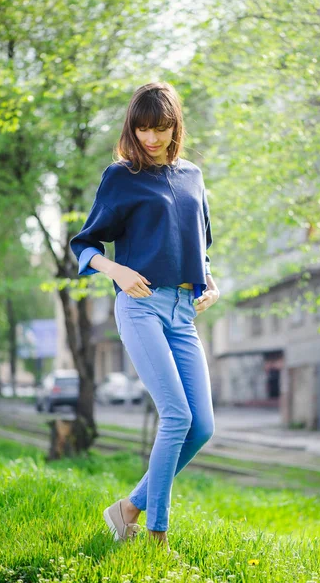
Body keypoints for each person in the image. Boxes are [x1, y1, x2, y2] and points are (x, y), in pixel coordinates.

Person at [70, 81, 220, 554]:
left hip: (182, 311)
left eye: (161, 128)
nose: (151, 138)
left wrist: (210, 281)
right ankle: (156, 534)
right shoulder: (121, 176)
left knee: (202, 427)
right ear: (131, 127)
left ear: (176, 126)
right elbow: (85, 243)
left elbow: (200, 245)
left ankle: (127, 508)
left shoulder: (193, 175)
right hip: (139, 305)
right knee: (176, 416)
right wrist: (115, 268)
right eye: (143, 128)